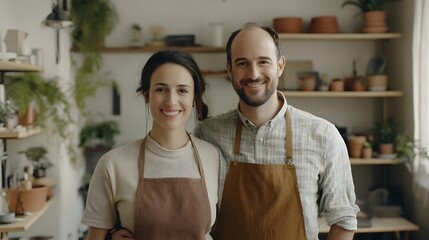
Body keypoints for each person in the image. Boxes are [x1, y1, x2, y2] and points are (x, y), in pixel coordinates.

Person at [193, 23, 359, 240]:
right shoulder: (207, 134)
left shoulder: (323, 136)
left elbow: (344, 220)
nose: (253, 74)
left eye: (263, 62)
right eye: (242, 63)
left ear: (280, 65)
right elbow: (191, 214)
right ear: (229, 69)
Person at [82, 50, 220, 240]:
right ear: (147, 95)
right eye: (161, 89)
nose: (171, 101)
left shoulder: (214, 157)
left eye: (182, 90)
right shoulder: (113, 165)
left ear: (195, 98)